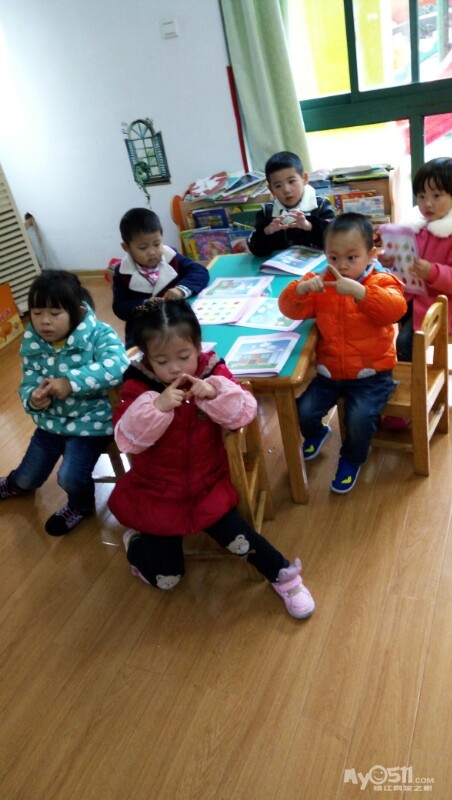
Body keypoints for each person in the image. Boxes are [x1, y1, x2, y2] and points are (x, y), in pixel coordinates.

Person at [107, 299, 315, 619]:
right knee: (167, 579)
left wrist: (214, 392)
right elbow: (126, 440)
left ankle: (285, 578)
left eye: (184, 356)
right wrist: (157, 407)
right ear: (146, 358)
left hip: (207, 486)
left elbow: (244, 413)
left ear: (197, 346)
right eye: (161, 360)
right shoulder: (138, 384)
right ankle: (136, 542)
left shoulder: (212, 370)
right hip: (156, 493)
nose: (175, 368)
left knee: (241, 539)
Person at [278, 213, 407, 494]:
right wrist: (300, 290)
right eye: (333, 258)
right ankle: (318, 432)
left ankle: (351, 459)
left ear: (371, 254)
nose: (342, 266)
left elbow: (396, 310)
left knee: (358, 420)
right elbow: (288, 309)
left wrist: (361, 292)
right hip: (330, 372)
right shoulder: (321, 281)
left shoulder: (381, 281)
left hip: (372, 374)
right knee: (302, 410)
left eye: (351, 257)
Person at [0, 270, 129, 535]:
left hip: (91, 424)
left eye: (55, 313)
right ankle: (15, 484)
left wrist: (71, 382)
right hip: (51, 423)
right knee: (27, 476)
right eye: (37, 313)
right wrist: (33, 398)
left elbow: (119, 366)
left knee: (69, 476)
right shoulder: (34, 343)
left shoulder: (99, 334)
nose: (44, 321)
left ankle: (80, 505)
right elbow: (28, 382)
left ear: (77, 312)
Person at [379, 157, 452, 361]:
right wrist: (391, 261)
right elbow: (407, 261)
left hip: (442, 306)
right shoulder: (418, 226)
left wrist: (432, 272)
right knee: (376, 315)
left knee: (406, 342)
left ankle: (415, 378)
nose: (427, 203)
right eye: (421, 196)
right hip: (414, 296)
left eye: (436, 195)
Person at [112, 207, 210, 347]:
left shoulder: (171, 257)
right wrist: (144, 303)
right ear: (126, 247)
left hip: (177, 323)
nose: (152, 252)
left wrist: (181, 289)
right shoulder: (121, 273)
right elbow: (120, 307)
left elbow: (199, 271)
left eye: (157, 244)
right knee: (136, 356)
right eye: (143, 248)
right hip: (142, 330)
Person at [247, 151, 335, 257]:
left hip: (318, 265)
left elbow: (336, 239)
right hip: (279, 266)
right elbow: (255, 249)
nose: (286, 190)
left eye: (291, 181)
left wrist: (310, 226)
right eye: (278, 186)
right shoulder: (267, 212)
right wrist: (266, 232)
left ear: (304, 179)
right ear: (271, 189)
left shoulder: (321, 205)